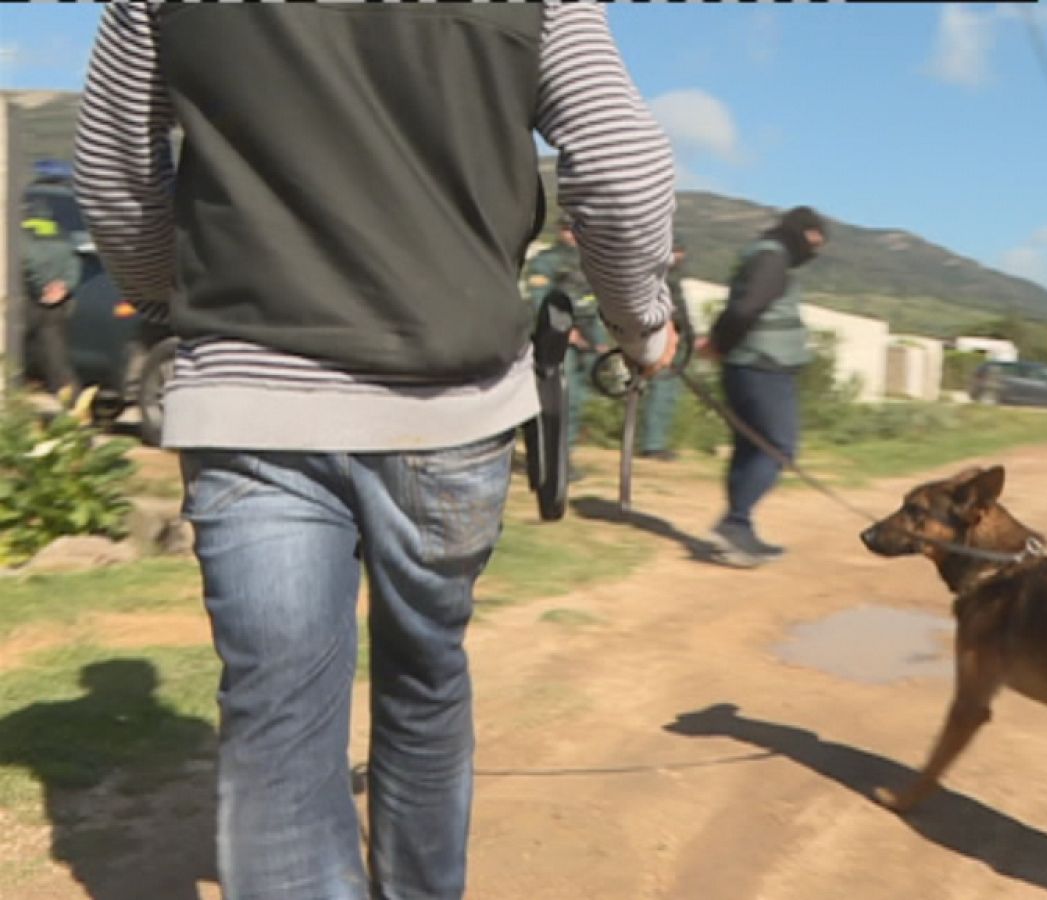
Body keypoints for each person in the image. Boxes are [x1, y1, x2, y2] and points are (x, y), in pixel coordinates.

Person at [75, 5, 677, 898]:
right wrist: (641, 325)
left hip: (253, 403)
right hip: (450, 407)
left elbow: (116, 176)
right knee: (426, 680)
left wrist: (186, 307)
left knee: (277, 724)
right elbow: (624, 166)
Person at [703, 207, 828, 567]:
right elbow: (746, 308)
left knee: (750, 447)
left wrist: (719, 344)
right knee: (777, 447)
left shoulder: (764, 253)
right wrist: (719, 344)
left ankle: (739, 529)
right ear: (805, 233)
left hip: (748, 365)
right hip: (763, 367)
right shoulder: (772, 257)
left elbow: (742, 307)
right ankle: (734, 524)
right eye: (816, 240)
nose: (817, 250)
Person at [521, 217, 612, 476]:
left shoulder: (590, 264)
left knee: (576, 401)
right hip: (556, 340)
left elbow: (593, 306)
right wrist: (564, 332)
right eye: (568, 228)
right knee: (560, 399)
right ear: (561, 230)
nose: (573, 234)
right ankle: (550, 462)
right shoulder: (546, 261)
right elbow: (539, 301)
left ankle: (563, 458)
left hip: (585, 340)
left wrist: (600, 342)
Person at [20, 202, 81, 403]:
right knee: (56, 359)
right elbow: (74, 262)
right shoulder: (60, 234)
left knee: (17, 356)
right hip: (57, 304)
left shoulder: (20, 234)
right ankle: (73, 408)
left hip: (30, 302)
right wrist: (63, 286)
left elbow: (24, 262)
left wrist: (41, 287)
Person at [638, 233, 690, 461]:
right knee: (660, 392)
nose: (679, 255)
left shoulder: (674, 278)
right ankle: (652, 445)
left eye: (680, 251)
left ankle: (656, 442)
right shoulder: (655, 277)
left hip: (677, 341)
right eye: (674, 250)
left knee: (667, 394)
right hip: (661, 340)